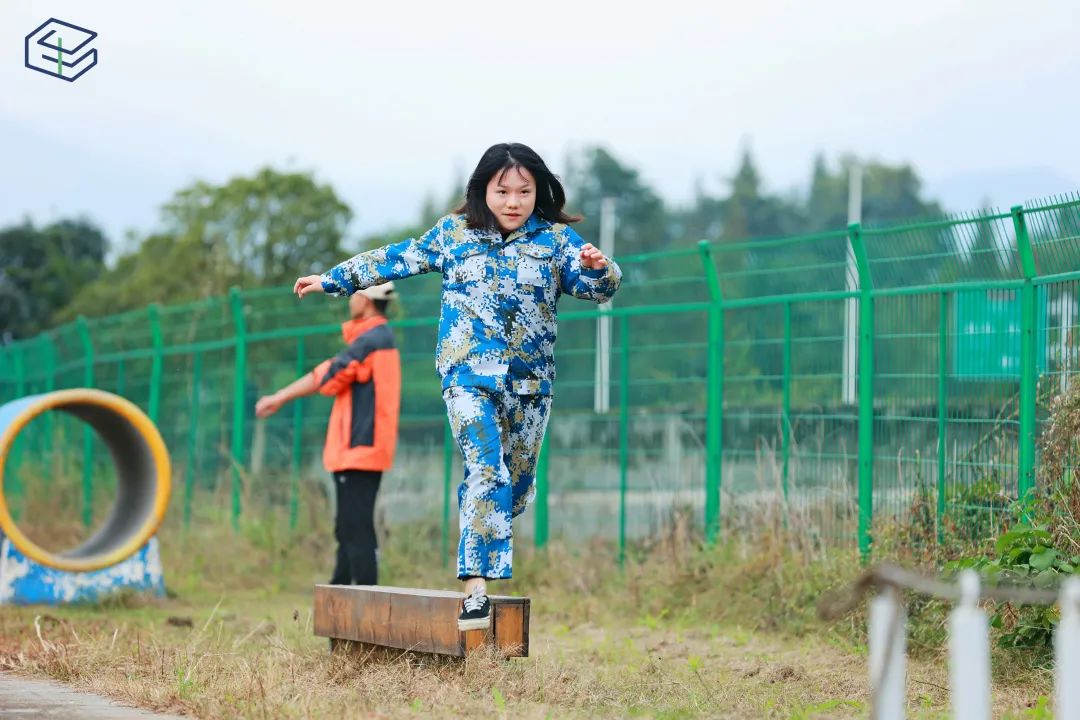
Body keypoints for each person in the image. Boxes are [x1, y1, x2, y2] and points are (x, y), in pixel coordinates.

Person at [293, 142, 621, 631]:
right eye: (502, 192)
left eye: (524, 192)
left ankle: (485, 522)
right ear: (482, 191)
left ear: (538, 192)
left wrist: (601, 269)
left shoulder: (555, 241)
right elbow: (397, 257)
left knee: (514, 487)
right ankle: (476, 592)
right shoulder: (454, 234)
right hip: (467, 376)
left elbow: (597, 288)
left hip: (530, 384)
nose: (513, 202)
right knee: (486, 470)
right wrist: (334, 279)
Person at [254, 282, 401, 587]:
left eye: (353, 293)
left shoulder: (372, 340)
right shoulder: (378, 338)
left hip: (359, 449)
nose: (349, 299)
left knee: (356, 529)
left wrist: (279, 397)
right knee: (348, 527)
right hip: (364, 449)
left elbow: (327, 375)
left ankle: (365, 602)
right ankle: (339, 594)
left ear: (366, 300)